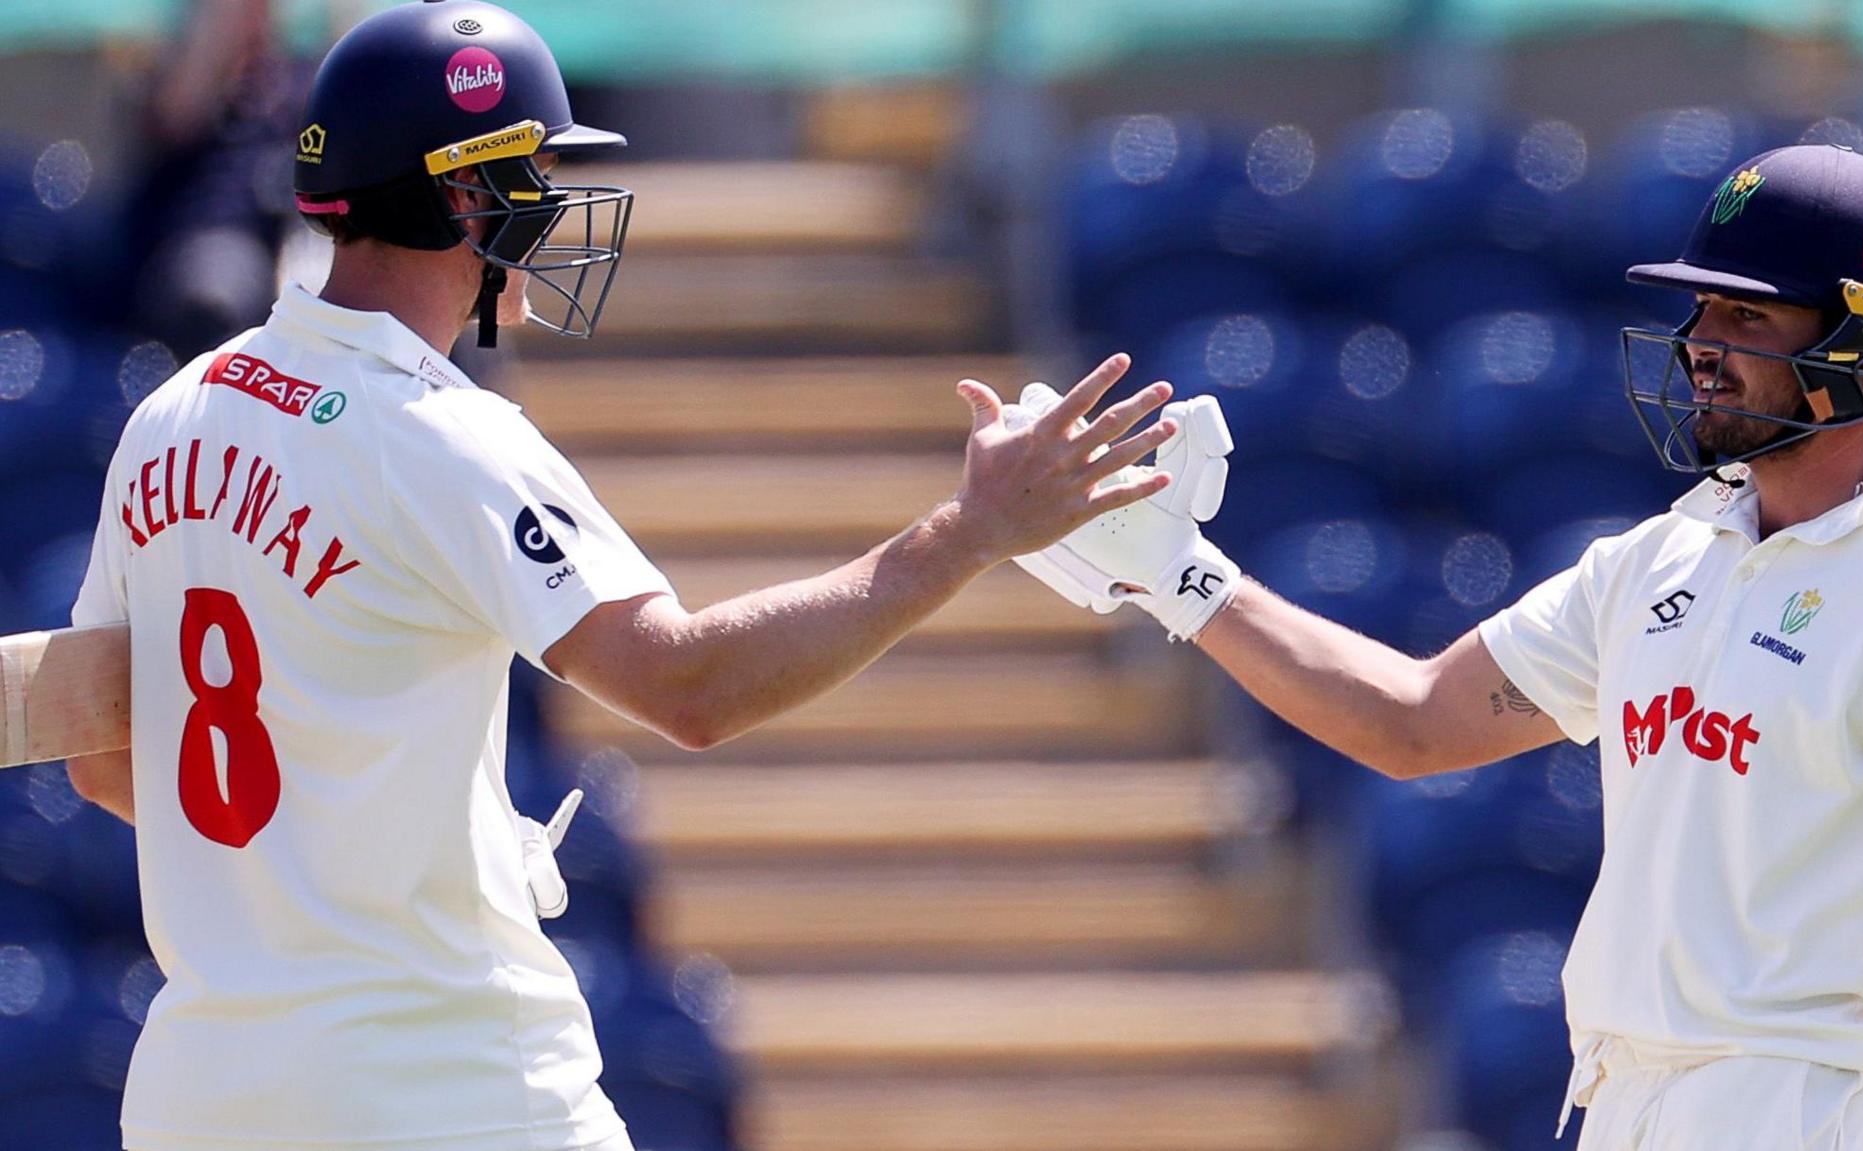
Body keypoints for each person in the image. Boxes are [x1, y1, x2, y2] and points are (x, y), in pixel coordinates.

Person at [60, 2, 1184, 1150]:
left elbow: (104, 756)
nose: (551, 204)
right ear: (461, 195)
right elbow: (687, 686)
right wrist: (968, 530)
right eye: (535, 171)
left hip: (202, 1096)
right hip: (447, 1092)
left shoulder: (173, 411)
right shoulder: (450, 437)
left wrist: (315, 851)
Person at [1014, 143, 1863, 1149]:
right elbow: (1412, 720)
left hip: (1808, 1110)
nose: (1697, 340)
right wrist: (1182, 577)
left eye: (1744, 313)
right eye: (1696, 307)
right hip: (1626, 1097)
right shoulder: (1658, 560)